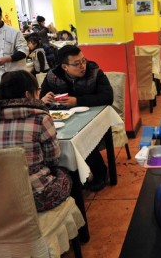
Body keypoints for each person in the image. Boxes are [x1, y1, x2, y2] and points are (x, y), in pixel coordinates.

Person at [0, 70, 71, 212]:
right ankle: (78, 231)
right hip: (35, 197)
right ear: (28, 95)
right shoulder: (41, 118)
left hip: (1, 197)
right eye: (37, 92)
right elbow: (53, 159)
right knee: (68, 173)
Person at [40, 45, 114, 191]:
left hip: (92, 118)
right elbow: (42, 97)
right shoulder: (52, 76)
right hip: (62, 120)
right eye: (77, 64)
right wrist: (44, 98)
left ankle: (100, 174)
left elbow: (107, 97)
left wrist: (78, 101)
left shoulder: (94, 72)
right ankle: (68, 176)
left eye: (83, 61)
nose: (82, 66)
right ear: (64, 67)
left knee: (84, 138)